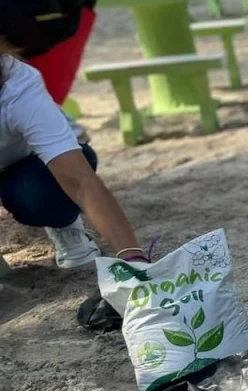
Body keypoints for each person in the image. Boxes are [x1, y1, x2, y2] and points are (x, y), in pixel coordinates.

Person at [0, 47, 147, 269]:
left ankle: (65, 225)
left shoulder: (17, 86)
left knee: (34, 195)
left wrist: (134, 260)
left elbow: (80, 182)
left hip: (33, 165)